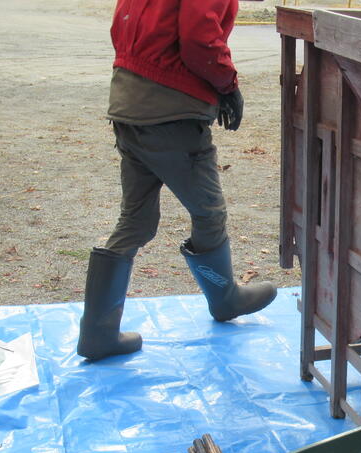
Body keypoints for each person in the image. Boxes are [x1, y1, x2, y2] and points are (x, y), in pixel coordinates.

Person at [76, 0, 277, 361]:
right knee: (208, 212)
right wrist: (227, 84)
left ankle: (97, 333)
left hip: (128, 104)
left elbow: (122, 26)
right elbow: (200, 38)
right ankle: (225, 299)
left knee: (135, 221)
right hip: (172, 112)